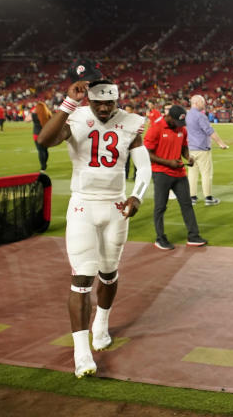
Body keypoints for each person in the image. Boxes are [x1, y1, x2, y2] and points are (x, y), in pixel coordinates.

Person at [37, 64, 151, 379]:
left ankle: (101, 322)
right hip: (83, 206)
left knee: (109, 273)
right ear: (88, 99)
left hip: (116, 207)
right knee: (82, 278)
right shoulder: (74, 116)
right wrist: (68, 102)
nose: (103, 108)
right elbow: (45, 141)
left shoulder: (130, 122)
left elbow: (143, 167)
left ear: (117, 101)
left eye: (109, 103)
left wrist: (137, 196)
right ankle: (81, 353)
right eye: (97, 102)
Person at [145, 105, 208, 250]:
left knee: (187, 204)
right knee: (160, 207)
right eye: (177, 123)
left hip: (179, 173)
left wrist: (188, 156)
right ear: (169, 117)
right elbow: (147, 153)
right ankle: (160, 238)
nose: (179, 126)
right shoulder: (155, 128)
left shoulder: (181, 129)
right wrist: (168, 162)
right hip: (161, 173)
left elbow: (184, 146)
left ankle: (193, 236)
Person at [186, 94, 228, 206]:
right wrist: (221, 143)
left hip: (190, 149)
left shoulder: (187, 115)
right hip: (202, 149)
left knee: (192, 174)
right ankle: (208, 197)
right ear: (196, 103)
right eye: (202, 102)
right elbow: (210, 131)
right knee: (206, 173)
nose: (204, 104)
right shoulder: (200, 116)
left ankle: (192, 197)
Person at [31, 101, 52, 171]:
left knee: (40, 151)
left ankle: (43, 166)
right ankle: (44, 164)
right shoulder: (48, 114)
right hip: (46, 134)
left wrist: (34, 110)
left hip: (37, 134)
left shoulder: (34, 115)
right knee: (45, 150)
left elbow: (27, 119)